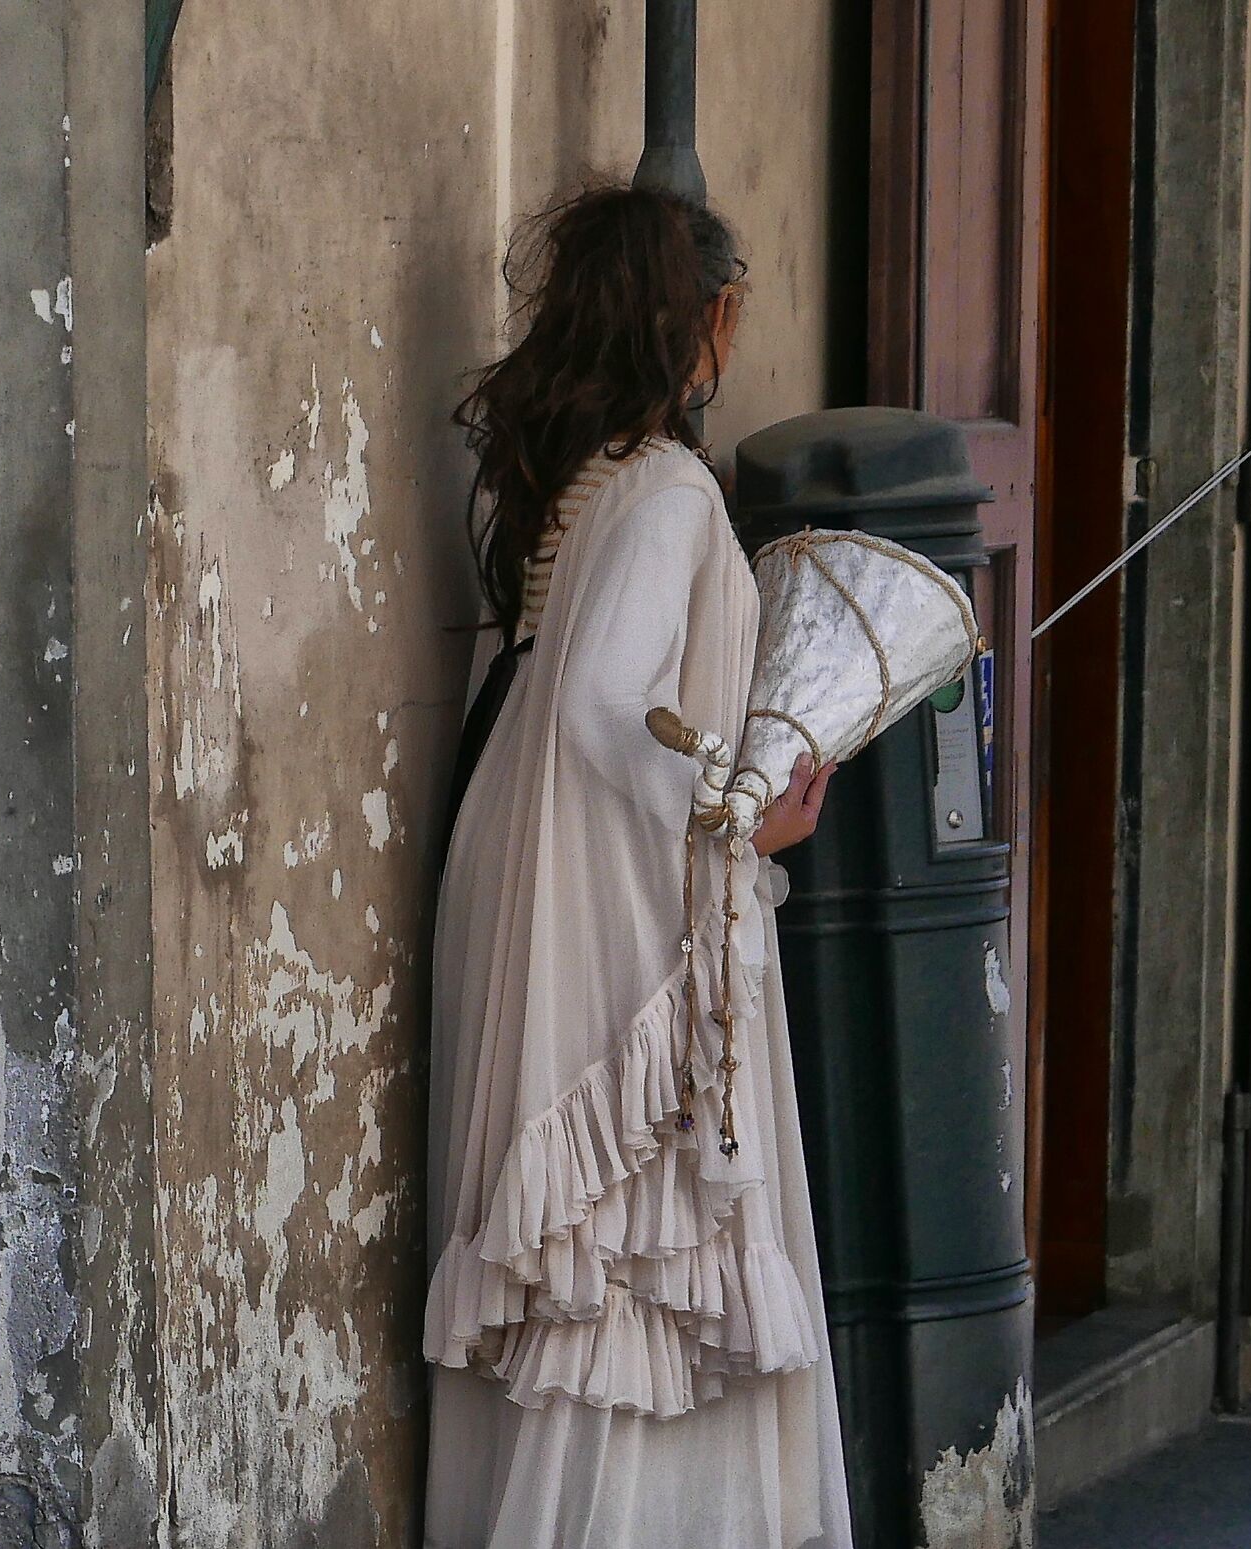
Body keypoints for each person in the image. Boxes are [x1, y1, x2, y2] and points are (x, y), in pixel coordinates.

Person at [423, 182, 854, 1549]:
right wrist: (739, 810)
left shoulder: (583, 483)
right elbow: (617, 704)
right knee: (628, 1244)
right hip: (614, 878)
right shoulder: (666, 490)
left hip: (531, 851)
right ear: (704, 322)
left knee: (583, 1247)